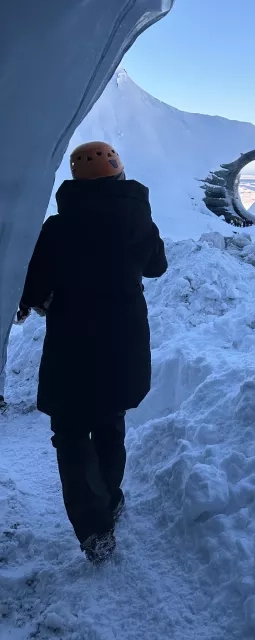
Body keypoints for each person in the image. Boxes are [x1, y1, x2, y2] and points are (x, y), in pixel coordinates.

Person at [17, 141, 167, 564]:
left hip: (72, 344)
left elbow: (32, 286)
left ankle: (94, 528)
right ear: (119, 174)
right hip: (123, 342)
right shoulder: (137, 218)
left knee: (70, 434)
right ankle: (111, 499)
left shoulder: (57, 228)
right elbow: (157, 266)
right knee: (109, 422)